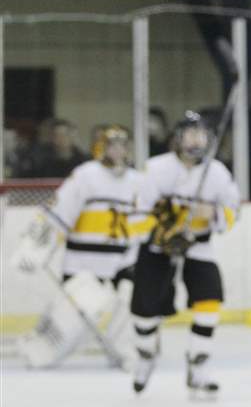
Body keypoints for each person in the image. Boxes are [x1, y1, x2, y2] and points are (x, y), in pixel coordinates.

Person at [9, 125, 151, 367]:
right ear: (101, 148)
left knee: (132, 302)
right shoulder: (86, 175)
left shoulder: (138, 181)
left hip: (121, 263)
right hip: (83, 264)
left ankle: (127, 350)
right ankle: (41, 350)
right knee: (74, 319)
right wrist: (34, 247)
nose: (117, 151)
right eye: (112, 146)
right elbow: (57, 213)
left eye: (121, 146)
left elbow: (146, 222)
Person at [130, 111, 240, 397]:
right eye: (191, 133)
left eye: (202, 134)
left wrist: (213, 213)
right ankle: (145, 354)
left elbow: (232, 214)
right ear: (177, 139)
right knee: (144, 312)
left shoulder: (217, 173)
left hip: (198, 246)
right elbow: (137, 214)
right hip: (158, 248)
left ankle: (198, 367)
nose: (197, 139)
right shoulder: (155, 169)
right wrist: (163, 227)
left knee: (210, 301)